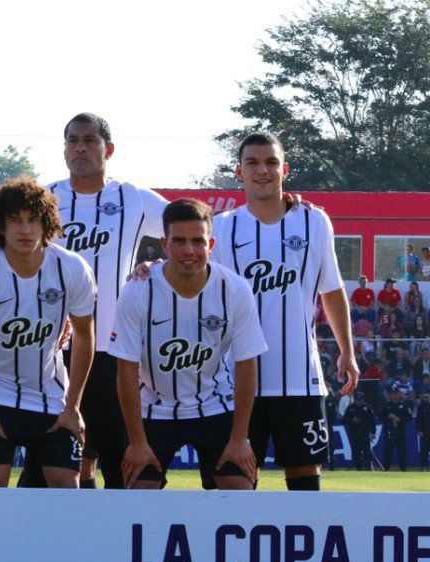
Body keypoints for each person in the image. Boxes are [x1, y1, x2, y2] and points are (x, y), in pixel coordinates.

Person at [211, 131, 357, 491]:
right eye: (253, 163)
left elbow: (332, 290)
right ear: (239, 172)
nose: (263, 170)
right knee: (235, 483)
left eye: (271, 162)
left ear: (285, 169)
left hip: (299, 380)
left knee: (305, 483)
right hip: (236, 383)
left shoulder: (314, 221)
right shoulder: (222, 227)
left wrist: (347, 352)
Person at [31, 113, 170, 489]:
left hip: (114, 350)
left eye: (89, 140)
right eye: (72, 140)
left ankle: (116, 543)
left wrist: (157, 262)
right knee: (53, 467)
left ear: (107, 149)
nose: (80, 147)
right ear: (64, 150)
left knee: (120, 464)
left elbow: (195, 228)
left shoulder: (132, 197)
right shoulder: (44, 199)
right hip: (53, 352)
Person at [0, 178, 95, 488]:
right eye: (15, 220)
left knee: (68, 489)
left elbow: (84, 335)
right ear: (1, 225)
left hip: (53, 400)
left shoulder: (73, 268)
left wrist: (73, 407)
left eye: (33, 220)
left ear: (47, 223)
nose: (25, 229)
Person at [110, 198, 268, 490]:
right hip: (153, 410)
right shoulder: (138, 289)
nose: (189, 250)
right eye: (179, 241)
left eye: (198, 241)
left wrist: (239, 440)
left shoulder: (235, 289)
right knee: (138, 490)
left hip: (215, 405)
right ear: (164, 243)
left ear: (211, 243)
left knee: (239, 487)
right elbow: (126, 371)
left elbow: (247, 367)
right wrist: (137, 443)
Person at [379, 385, 412, 470]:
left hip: (400, 432)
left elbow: (409, 417)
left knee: (402, 452)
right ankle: (386, 470)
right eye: (392, 394)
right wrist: (388, 417)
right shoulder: (385, 406)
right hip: (389, 432)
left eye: (395, 393)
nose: (393, 396)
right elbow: (380, 417)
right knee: (387, 453)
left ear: (399, 394)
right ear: (389, 395)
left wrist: (400, 419)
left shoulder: (404, 405)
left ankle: (403, 470)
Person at [341, 390, 376, 470]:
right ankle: (358, 468)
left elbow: (372, 421)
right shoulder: (350, 408)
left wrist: (373, 432)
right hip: (354, 433)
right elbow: (344, 420)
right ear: (355, 399)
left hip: (364, 433)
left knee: (366, 451)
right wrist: (352, 420)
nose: (359, 401)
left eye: (361, 400)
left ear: (363, 399)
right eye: (357, 400)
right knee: (356, 452)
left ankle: (368, 467)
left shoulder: (367, 408)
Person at [415, 388, 430, 470]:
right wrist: (419, 430)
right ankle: (423, 467)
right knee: (424, 451)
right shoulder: (422, 406)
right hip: (425, 433)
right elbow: (418, 419)